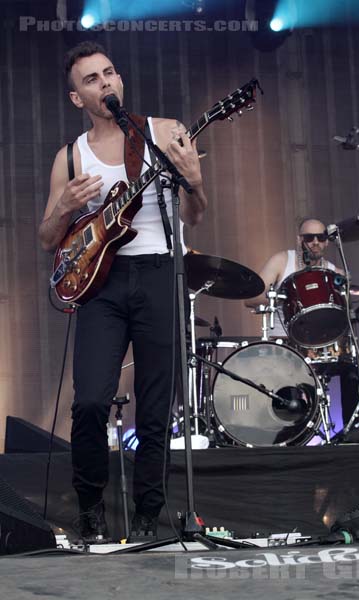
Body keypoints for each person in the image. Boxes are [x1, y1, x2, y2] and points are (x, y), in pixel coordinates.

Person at [39, 41, 207, 543]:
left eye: (109, 73)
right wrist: (66, 205)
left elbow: (195, 215)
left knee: (156, 409)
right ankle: (90, 510)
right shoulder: (70, 156)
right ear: (77, 98)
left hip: (160, 273)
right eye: (91, 79)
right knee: (89, 401)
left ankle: (148, 518)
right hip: (102, 284)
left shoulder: (165, 133)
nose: (105, 82)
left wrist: (195, 183)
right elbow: (48, 238)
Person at [246, 217, 359, 428]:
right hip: (285, 343)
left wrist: (347, 288)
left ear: (327, 242)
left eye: (321, 237)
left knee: (352, 365)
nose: (315, 242)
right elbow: (251, 297)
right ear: (299, 240)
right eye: (309, 237)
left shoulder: (331, 270)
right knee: (286, 387)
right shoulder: (283, 260)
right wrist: (283, 295)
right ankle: (291, 434)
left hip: (320, 344)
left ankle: (353, 430)